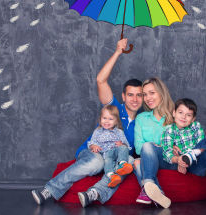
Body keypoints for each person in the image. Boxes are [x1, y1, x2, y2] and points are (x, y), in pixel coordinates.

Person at [31, 39, 143, 206]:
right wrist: (117, 52)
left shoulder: (143, 121)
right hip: (93, 151)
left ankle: (94, 192)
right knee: (98, 161)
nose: (135, 99)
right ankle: (49, 190)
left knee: (126, 160)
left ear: (143, 98)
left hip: (113, 159)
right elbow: (100, 80)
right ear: (123, 96)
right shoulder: (114, 108)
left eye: (139, 95)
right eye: (131, 95)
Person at [160, 98, 206, 206]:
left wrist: (190, 154)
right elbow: (167, 153)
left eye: (188, 115)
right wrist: (180, 160)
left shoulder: (196, 126)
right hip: (195, 167)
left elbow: (203, 145)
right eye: (180, 112)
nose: (183, 117)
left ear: (193, 118)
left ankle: (192, 154)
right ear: (174, 113)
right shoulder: (169, 130)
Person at [132, 77, 176, 208]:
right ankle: (158, 192)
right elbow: (138, 146)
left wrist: (157, 147)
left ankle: (147, 189)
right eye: (144, 94)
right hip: (149, 159)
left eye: (152, 93)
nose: (147, 98)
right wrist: (152, 147)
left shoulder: (175, 115)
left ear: (161, 93)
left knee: (142, 157)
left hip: (168, 161)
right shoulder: (141, 118)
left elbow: (184, 141)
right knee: (139, 161)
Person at [86, 105, 133, 188]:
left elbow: (127, 144)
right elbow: (91, 142)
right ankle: (111, 176)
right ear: (100, 119)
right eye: (104, 118)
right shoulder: (97, 132)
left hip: (117, 152)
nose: (107, 121)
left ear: (115, 122)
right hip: (105, 153)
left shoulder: (119, 132)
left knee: (123, 148)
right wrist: (93, 146)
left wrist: (122, 144)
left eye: (110, 119)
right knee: (108, 161)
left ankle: (122, 164)